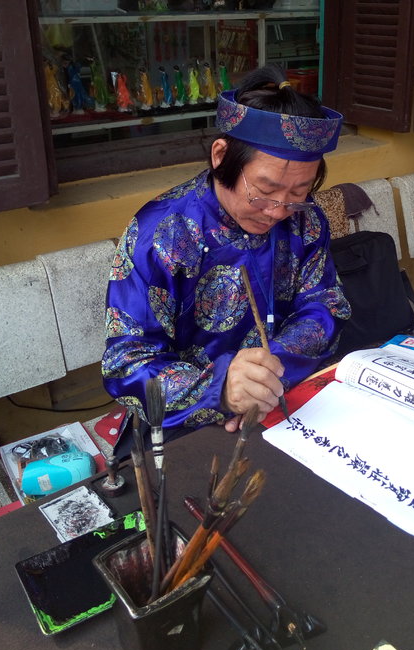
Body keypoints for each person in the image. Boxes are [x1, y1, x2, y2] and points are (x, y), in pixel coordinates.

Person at [102, 66, 350, 446]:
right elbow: (126, 364)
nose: (279, 211)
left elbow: (326, 304)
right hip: (190, 423)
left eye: (299, 192)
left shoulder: (306, 221)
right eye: (265, 190)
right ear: (221, 156)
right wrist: (221, 391)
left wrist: (266, 375)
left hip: (283, 398)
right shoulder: (162, 234)